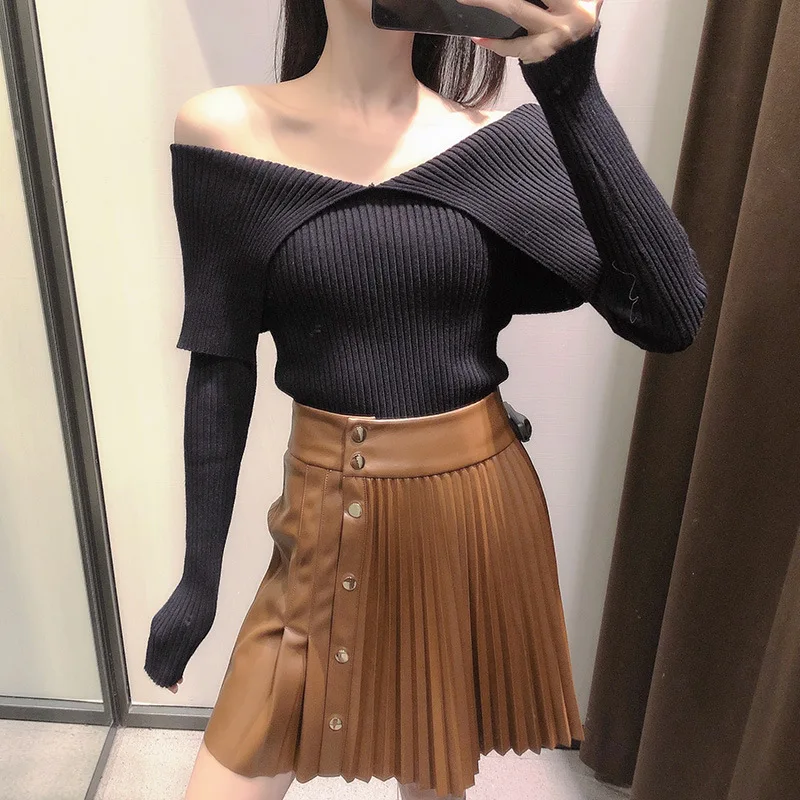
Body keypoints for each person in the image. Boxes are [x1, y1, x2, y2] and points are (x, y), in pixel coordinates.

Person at [144, 0, 708, 798]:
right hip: (325, 509)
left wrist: (570, 85)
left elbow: (669, 313)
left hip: (471, 510)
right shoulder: (225, 130)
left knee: (434, 772)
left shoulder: (500, 144)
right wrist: (199, 577)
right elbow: (220, 360)